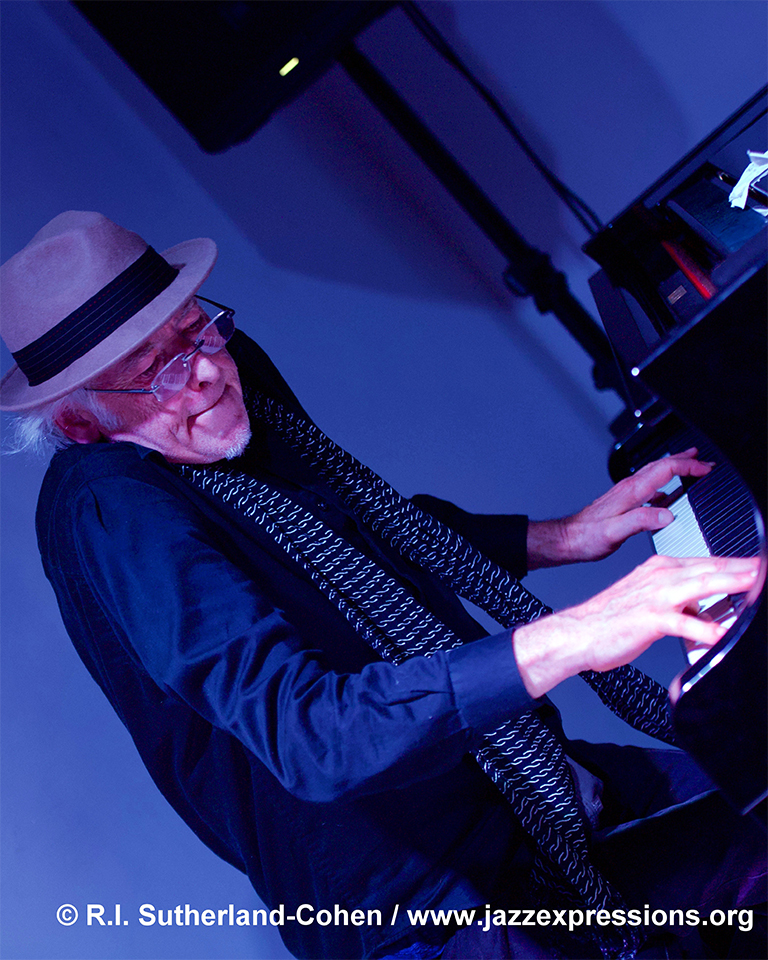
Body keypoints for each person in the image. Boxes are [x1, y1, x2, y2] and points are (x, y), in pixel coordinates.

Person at [1, 211, 764, 960]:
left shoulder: (230, 373)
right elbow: (311, 735)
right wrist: (583, 631)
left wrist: (565, 537)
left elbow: (363, 531)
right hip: (434, 907)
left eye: (194, 328)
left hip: (531, 788)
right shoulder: (113, 511)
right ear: (81, 424)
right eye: (154, 371)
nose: (203, 369)